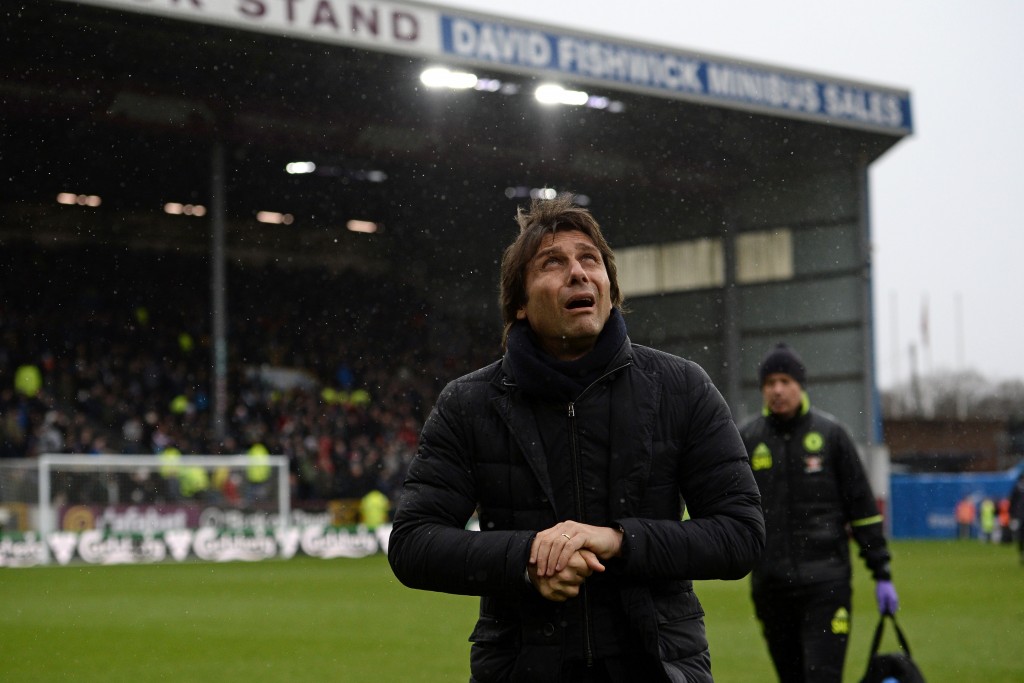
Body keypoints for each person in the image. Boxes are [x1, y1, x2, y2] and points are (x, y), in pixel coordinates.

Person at [388, 192, 765, 683]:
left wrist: (619, 541)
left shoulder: (681, 386)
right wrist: (528, 557)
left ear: (609, 287)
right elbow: (414, 544)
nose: (578, 272)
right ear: (519, 304)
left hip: (657, 667)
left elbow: (741, 533)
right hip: (523, 666)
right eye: (553, 262)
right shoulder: (469, 402)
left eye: (590, 259)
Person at [739, 343, 898, 683]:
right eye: (769, 383)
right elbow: (730, 509)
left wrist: (881, 572)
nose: (777, 389)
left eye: (785, 380)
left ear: (801, 385)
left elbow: (864, 511)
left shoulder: (831, 435)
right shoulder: (746, 439)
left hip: (826, 586)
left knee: (822, 678)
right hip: (771, 589)